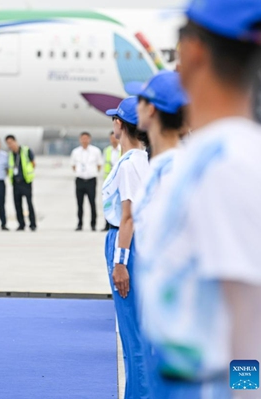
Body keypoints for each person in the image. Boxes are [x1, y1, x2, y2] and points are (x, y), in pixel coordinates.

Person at [137, 0, 261, 397]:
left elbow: (251, 328)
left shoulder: (230, 165)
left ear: (194, 51)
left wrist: (245, 393)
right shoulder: (212, 156)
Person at [127, 71, 189, 398]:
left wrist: (247, 386)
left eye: (139, 98)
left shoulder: (181, 172)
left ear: (150, 109)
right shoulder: (157, 169)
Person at [102, 96, 150, 399]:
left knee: (132, 336)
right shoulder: (146, 159)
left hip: (125, 242)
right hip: (136, 242)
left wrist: (120, 262)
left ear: (120, 124)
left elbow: (128, 217)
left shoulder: (131, 163)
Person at [70, 132, 103, 231]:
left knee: (92, 203)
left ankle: (93, 224)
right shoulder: (75, 152)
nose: (84, 140)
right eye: (82, 139)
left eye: (86, 138)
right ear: (80, 140)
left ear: (89, 139)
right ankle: (80, 223)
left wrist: (92, 172)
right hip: (80, 180)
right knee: (79, 204)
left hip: (91, 180)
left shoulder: (95, 151)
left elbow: (99, 165)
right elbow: (73, 165)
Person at [5, 135, 37, 231]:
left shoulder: (26, 151)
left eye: (11, 142)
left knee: (29, 203)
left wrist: (28, 173)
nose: (10, 145)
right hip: (15, 182)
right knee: (17, 204)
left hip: (26, 181)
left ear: (15, 141)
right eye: (8, 143)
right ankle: (21, 224)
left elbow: (33, 163)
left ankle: (32, 224)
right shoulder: (10, 154)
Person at [102, 131, 121, 230]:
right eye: (111, 138)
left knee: (118, 203)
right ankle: (107, 224)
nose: (113, 140)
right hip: (109, 181)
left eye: (115, 137)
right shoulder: (107, 150)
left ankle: (118, 223)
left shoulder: (122, 150)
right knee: (108, 203)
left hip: (119, 180)